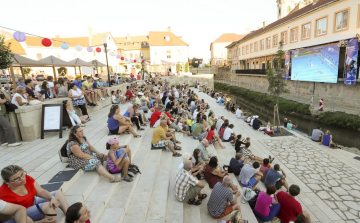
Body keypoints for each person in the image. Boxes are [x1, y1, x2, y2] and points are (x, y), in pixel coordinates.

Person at [0, 165, 69, 222]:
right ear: (7, 182)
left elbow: (40, 191)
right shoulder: (3, 194)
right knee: (48, 206)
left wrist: (52, 198)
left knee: (57, 193)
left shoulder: (26, 178)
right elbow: (9, 217)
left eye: (22, 174)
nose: (22, 179)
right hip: (22, 214)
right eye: (16, 179)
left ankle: (69, 216)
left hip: (32, 202)